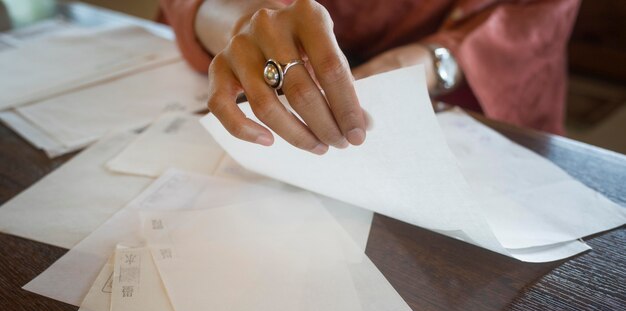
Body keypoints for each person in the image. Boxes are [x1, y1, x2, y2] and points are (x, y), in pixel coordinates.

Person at [160, 0, 580, 154]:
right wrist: (246, 25)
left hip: (471, 76)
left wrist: (436, 60)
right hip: (263, 57)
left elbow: (533, 17)